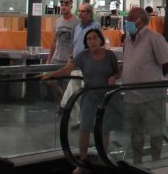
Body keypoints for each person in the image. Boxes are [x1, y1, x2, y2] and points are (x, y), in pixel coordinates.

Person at [42, 28, 120, 173]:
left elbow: (117, 71)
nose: (92, 41)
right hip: (89, 97)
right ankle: (82, 162)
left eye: (95, 38)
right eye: (89, 39)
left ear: (101, 39)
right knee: (84, 128)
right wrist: (51, 74)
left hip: (106, 98)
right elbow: (68, 68)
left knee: (104, 130)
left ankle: (102, 160)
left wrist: (113, 77)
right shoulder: (83, 56)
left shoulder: (109, 55)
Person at [120, 6, 168, 164]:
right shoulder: (127, 40)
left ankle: (156, 162)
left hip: (152, 97)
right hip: (131, 97)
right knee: (135, 132)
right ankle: (137, 162)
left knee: (155, 132)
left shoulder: (154, 38)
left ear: (140, 21)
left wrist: (154, 78)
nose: (127, 22)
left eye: (130, 19)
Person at [49, 0, 78, 99]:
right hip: (57, 57)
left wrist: (73, 57)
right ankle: (62, 101)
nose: (64, 7)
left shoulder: (76, 22)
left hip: (68, 59)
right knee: (50, 80)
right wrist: (49, 58)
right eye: (62, 5)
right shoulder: (58, 21)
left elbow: (77, 42)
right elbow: (54, 41)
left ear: (71, 6)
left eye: (66, 4)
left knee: (67, 85)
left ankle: (65, 105)